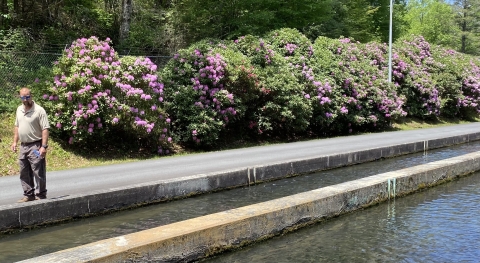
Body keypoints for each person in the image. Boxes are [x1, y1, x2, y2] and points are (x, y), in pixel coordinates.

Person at [10, 87, 50, 203]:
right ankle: (28, 194)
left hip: (35, 145)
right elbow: (17, 126)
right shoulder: (19, 110)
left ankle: (41, 194)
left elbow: (45, 129)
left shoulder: (39, 110)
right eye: (23, 97)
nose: (25, 99)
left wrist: (43, 146)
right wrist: (14, 142)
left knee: (38, 170)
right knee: (24, 171)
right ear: (20, 97)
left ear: (31, 96)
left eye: (27, 97)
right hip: (24, 146)